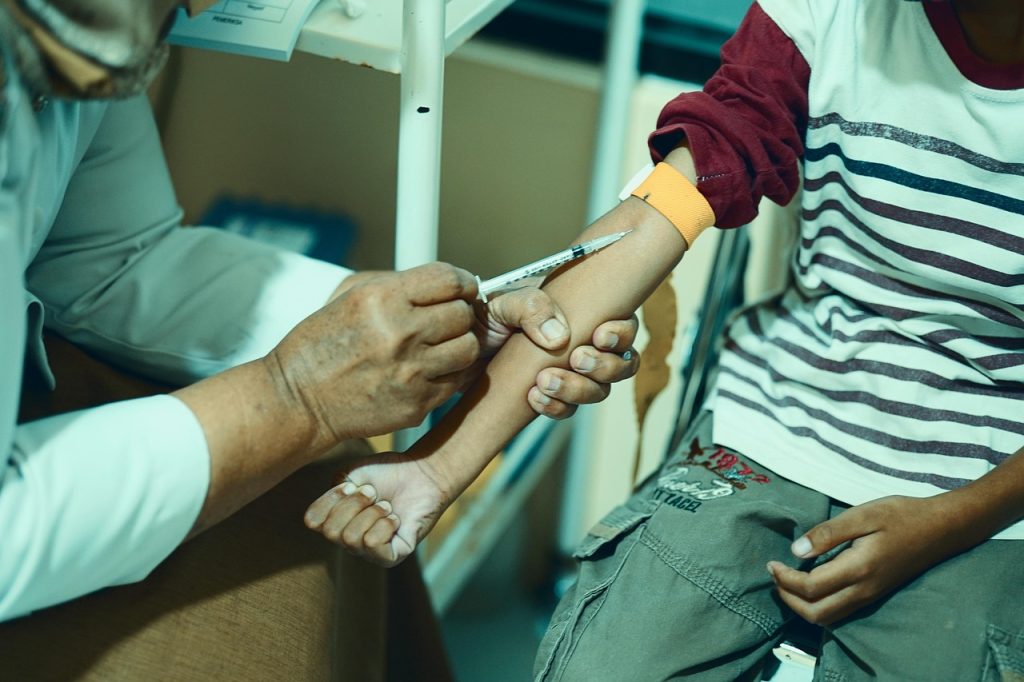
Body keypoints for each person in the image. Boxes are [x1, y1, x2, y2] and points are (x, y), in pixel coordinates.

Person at [311, 0, 1024, 679]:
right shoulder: (825, 14)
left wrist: (951, 523)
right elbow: (651, 224)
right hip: (782, 414)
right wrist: (436, 468)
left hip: (990, 482)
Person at [0, 0, 642, 675]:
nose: (207, 6)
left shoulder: (87, 33)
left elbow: (111, 259)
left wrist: (391, 321)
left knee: (324, 491)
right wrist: (294, 397)